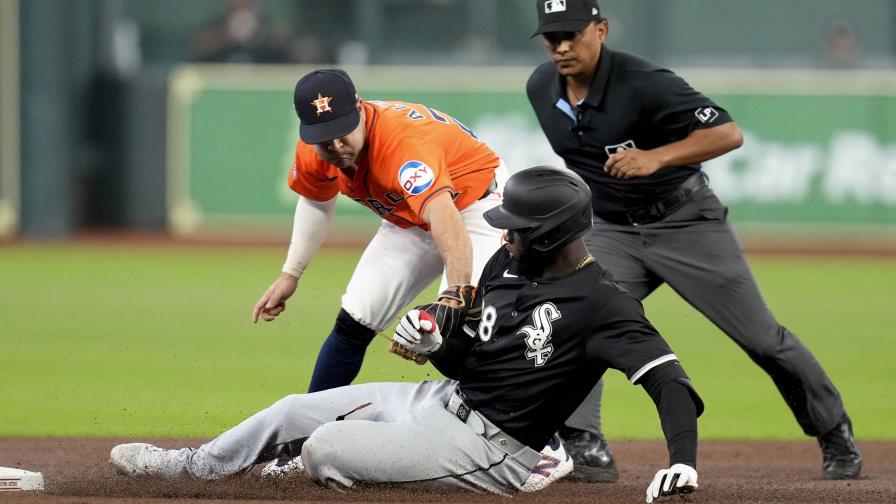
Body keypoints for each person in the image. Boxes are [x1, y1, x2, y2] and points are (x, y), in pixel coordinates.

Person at [110, 166, 704, 503]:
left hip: (494, 449)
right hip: (446, 402)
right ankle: (193, 467)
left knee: (325, 448)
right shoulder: (504, 264)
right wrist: (434, 347)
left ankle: (322, 469)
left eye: (515, 229)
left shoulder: (604, 305)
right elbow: (463, 363)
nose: (503, 236)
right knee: (297, 411)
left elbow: (671, 384)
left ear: (551, 235)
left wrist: (684, 463)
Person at [526, 0, 861, 482]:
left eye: (571, 35)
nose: (560, 47)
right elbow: (581, 163)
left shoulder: (644, 82)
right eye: (550, 37)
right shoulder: (542, 87)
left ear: (600, 30)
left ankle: (834, 431)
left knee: (761, 338)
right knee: (576, 318)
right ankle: (585, 444)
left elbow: (727, 133)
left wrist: (656, 158)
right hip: (613, 230)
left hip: (685, 222)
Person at [252, 68, 507, 396]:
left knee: (459, 335)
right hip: (410, 217)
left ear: (359, 109)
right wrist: (291, 274)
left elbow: (443, 215)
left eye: (342, 130)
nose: (336, 144)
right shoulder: (314, 149)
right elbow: (317, 202)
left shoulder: (402, 145)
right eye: (324, 137)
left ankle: (532, 431)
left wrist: (455, 294)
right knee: (353, 322)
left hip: (473, 207)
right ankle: (304, 431)